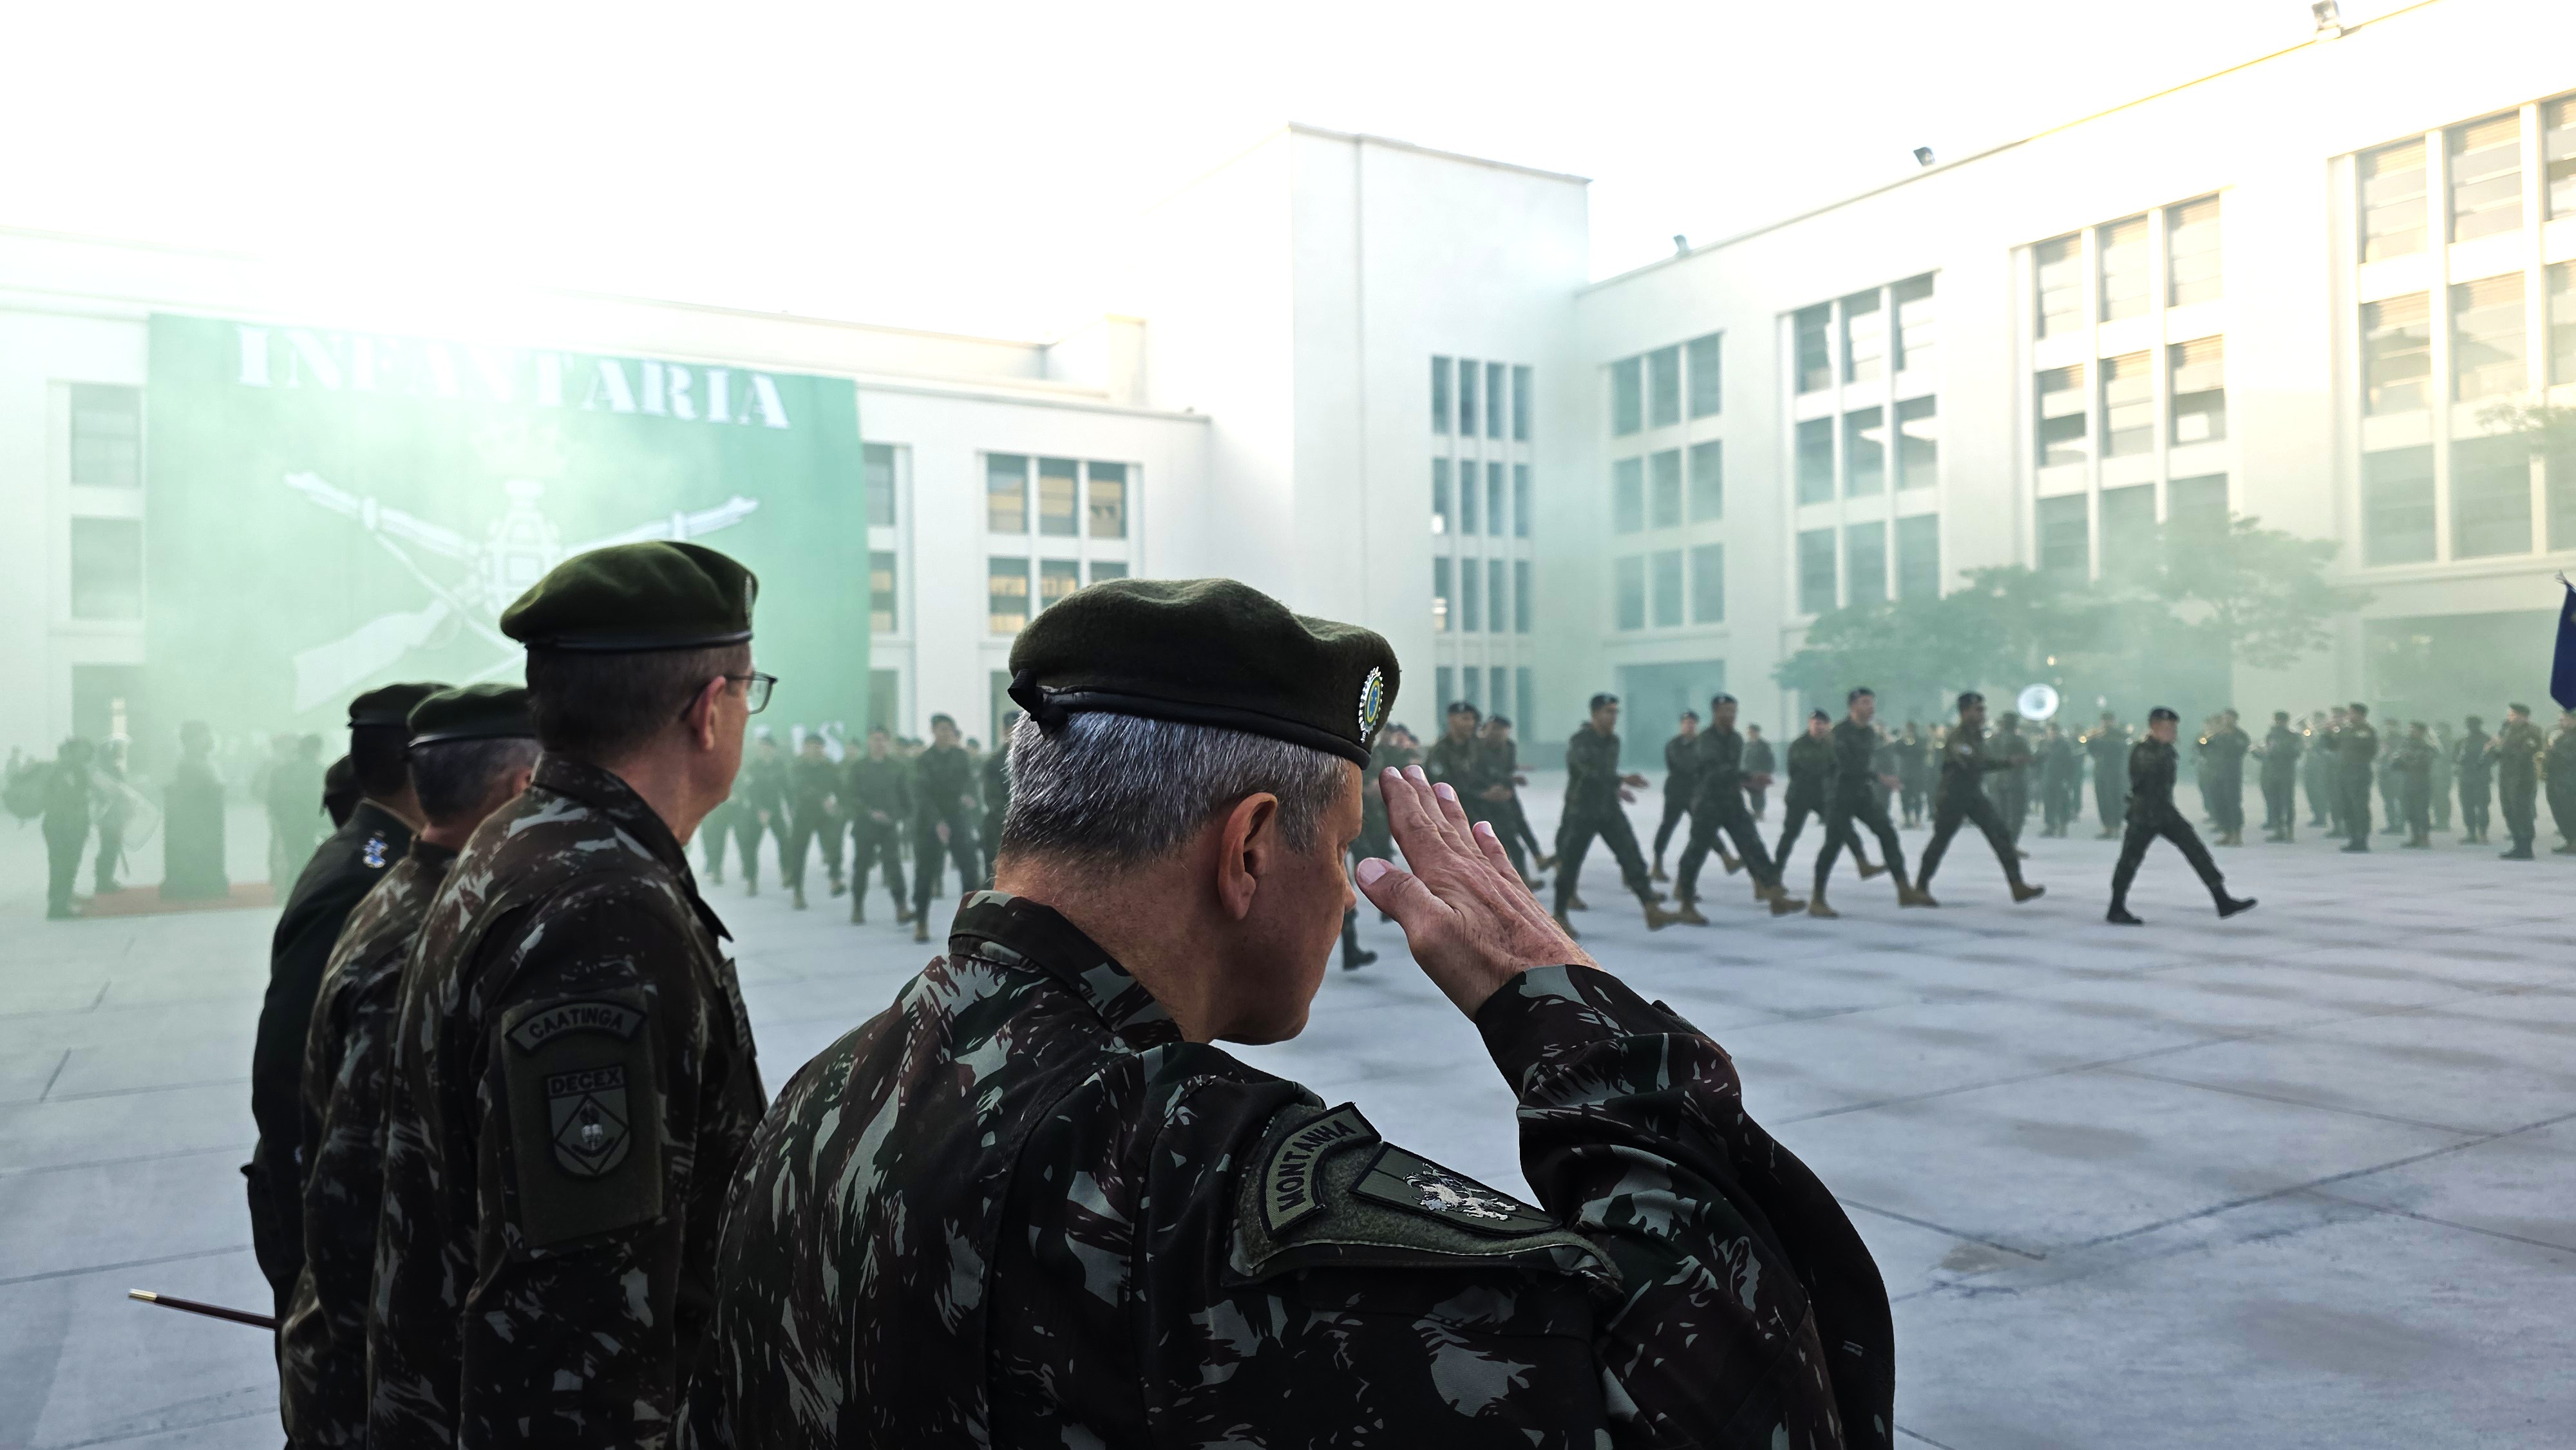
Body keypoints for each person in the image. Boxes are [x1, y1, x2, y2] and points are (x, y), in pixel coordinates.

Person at [681, 576, 1893, 1450]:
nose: (1349, 899)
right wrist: (1567, 1013)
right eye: (1349, 851)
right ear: (1251, 846)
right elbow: (1743, 1400)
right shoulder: (1208, 1189)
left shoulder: (823, 1099)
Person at [368, 542, 769, 1448]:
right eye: (751, 689)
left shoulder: (523, 841)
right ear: (710, 711)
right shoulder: (605, 913)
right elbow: (576, 1342)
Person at [278, 685, 538, 1450]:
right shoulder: (430, 922)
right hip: (388, 1387)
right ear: (518, 788)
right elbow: (356, 1196)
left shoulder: (414, 888)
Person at [247, 681, 443, 1321]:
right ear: (422, 765)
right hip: (325, 1220)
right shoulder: (364, 877)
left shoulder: (370, 854)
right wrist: (312, 1218)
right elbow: (283, 1070)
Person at [2107, 708, 2257, 926]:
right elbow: (2145, 778)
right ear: (2156, 728)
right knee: (2130, 860)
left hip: (2165, 811)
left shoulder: (2164, 749)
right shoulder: (2143, 750)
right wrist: (2161, 748)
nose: (2175, 732)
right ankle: (2116, 907)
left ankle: (2222, 899)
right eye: (2169, 728)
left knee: (2197, 851)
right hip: (2144, 813)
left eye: (2175, 727)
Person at [1553, 693, 1683, 937]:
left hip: (1609, 809)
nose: (1612, 717)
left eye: (1615, 712)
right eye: (1607, 712)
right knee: (1570, 862)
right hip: (1581, 810)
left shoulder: (1614, 741)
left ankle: (1651, 909)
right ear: (1594, 715)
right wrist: (1622, 779)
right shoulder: (1581, 741)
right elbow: (1587, 771)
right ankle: (1560, 915)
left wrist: (1617, 789)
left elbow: (1605, 774)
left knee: (1631, 855)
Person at [1671, 693, 1801, 922]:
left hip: (1732, 801)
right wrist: (1748, 776)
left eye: (1733, 711)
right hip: (1708, 802)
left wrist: (1750, 783)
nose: (1730, 716)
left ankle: (1775, 896)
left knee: (1754, 846)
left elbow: (1731, 772)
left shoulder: (1736, 739)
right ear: (1715, 713)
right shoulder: (1706, 740)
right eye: (1725, 711)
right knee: (1696, 851)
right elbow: (1714, 770)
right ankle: (1686, 902)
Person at [1913, 692, 2045, 908]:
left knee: (2000, 835)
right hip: (1954, 796)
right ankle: (1920, 887)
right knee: (1941, 840)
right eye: (1978, 709)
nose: (1983, 713)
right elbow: (1974, 763)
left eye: (1983, 709)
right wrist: (2009, 762)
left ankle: (2017, 885)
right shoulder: (1959, 738)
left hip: (1972, 793)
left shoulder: (1975, 735)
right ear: (1965, 712)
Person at [1812, 688, 1923, 915]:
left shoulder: (1870, 733)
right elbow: (1848, 766)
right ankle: (1817, 899)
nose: (1870, 707)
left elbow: (1867, 764)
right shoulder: (1839, 733)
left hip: (1861, 794)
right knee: (1832, 845)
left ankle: (1904, 889)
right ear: (1853, 706)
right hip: (1839, 794)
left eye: (1872, 702)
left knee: (1887, 833)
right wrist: (1880, 777)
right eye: (1864, 702)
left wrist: (1878, 776)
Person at [909, 713, 983, 941]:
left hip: (957, 818)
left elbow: (969, 784)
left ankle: (968, 923)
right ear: (933, 731)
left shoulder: (961, 757)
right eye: (941, 729)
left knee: (970, 869)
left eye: (949, 729)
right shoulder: (923, 761)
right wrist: (937, 823)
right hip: (929, 821)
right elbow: (922, 796)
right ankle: (921, 922)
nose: (946, 733)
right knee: (924, 873)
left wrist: (969, 798)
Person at [844, 726, 912, 925]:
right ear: (868, 742)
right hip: (865, 826)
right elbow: (850, 795)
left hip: (888, 827)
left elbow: (906, 801)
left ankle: (901, 907)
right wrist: (869, 812)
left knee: (894, 866)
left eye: (882, 739)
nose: (878, 743)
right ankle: (857, 906)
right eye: (874, 739)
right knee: (861, 867)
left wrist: (894, 817)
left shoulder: (897, 768)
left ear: (887, 742)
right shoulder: (859, 767)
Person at [162, 719, 229, 899]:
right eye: (202, 737)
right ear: (190, 741)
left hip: (207, 821)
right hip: (195, 821)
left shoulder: (206, 763)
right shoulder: (188, 765)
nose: (208, 741)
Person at [1478, 715, 1548, 885]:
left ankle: (1536, 859)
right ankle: (1512, 878)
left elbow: (1507, 768)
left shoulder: (1509, 746)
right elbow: (1483, 772)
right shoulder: (1478, 748)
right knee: (1504, 838)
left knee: (1520, 823)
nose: (1497, 733)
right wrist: (1509, 779)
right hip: (1483, 797)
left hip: (1506, 793)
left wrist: (1510, 780)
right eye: (1493, 729)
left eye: (1501, 730)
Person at [782, 731, 845, 910]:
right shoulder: (796, 766)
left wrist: (838, 805)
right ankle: (798, 892)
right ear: (804, 749)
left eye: (818, 747)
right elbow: (799, 787)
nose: (815, 751)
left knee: (834, 843)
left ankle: (835, 879)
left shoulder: (830, 767)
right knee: (799, 853)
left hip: (825, 815)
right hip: (803, 814)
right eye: (810, 747)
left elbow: (840, 788)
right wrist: (822, 799)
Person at [1771, 710, 1836, 867]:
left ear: (1827, 726)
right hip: (1800, 795)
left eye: (1821, 724)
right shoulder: (1799, 744)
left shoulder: (1831, 745)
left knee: (1839, 827)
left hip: (1822, 795)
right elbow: (1797, 769)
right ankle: (1776, 872)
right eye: (1815, 724)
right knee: (1790, 834)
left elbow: (1836, 768)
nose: (1818, 727)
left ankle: (1861, 861)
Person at [40, 738, 97, 920]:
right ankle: (58, 907)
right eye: (83, 749)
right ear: (73, 751)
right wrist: (87, 796)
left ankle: (63, 896)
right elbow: (68, 795)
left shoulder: (74, 768)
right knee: (63, 864)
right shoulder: (67, 769)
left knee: (65, 863)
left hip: (66, 824)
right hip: (64, 825)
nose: (87, 753)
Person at [267, 733, 328, 887]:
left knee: (292, 856)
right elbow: (318, 798)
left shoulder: (282, 771)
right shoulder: (318, 770)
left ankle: (287, 889)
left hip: (288, 821)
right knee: (306, 856)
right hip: (308, 822)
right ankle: (303, 888)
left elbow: (272, 798)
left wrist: (279, 816)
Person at [737, 730, 790, 896]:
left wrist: (791, 808)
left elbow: (787, 789)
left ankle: (787, 872)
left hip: (775, 811)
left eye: (768, 747)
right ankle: (752, 880)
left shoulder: (780, 766)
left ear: (774, 749)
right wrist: (760, 811)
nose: (765, 750)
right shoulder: (752, 767)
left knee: (785, 840)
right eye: (762, 747)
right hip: (755, 812)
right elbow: (750, 791)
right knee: (751, 846)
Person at [2200, 709, 2249, 846]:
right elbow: (2202, 748)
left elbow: (2239, 750)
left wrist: (2228, 737)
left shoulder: (2240, 735)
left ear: (2235, 720)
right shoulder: (2216, 735)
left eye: (2229, 718)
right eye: (2225, 718)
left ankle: (2236, 833)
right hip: (2215, 774)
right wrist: (2207, 739)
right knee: (2218, 803)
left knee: (2233, 804)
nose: (2226, 721)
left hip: (2231, 775)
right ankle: (2226, 832)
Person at [2336, 702, 2381, 854]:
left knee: (2359, 807)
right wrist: (2328, 733)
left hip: (2359, 774)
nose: (2348, 716)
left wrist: (2345, 731)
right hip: (2345, 774)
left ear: (2359, 714)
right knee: (2347, 807)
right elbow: (2332, 745)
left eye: (2351, 713)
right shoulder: (2347, 730)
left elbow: (2368, 749)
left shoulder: (2366, 731)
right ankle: (2353, 838)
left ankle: (2362, 839)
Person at [981, 710, 1018, 886]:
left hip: (1031, 830)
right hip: (1001, 827)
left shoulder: (1037, 759)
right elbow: (992, 797)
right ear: (1005, 732)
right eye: (1011, 730)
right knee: (997, 881)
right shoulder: (994, 763)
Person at [2256, 710, 2303, 842]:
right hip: (2271, 773)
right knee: (2274, 802)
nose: (2277, 723)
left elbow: (2296, 753)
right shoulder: (2271, 735)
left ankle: (2289, 831)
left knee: (2287, 802)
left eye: (2280, 721)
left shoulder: (2293, 736)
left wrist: (2279, 750)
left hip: (2286, 773)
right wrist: (2260, 753)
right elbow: (2268, 753)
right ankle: (2278, 830)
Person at [2081, 711, 2129, 838]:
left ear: (2113, 721)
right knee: (2102, 800)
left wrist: (2096, 740)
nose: (2106, 724)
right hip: (2100, 772)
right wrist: (2090, 740)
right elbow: (2092, 751)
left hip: (2115, 773)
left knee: (2114, 800)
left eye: (2108, 721)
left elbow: (2115, 747)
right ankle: (2107, 828)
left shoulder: (2119, 735)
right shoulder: (2099, 735)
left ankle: (2116, 828)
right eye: (2104, 721)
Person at [1991, 711, 2034, 849]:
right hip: (2015, 782)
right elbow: (2029, 759)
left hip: (1997, 782)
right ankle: (2011, 844)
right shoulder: (2019, 740)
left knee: (2001, 815)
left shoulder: (1993, 739)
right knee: (2016, 815)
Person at [2394, 722, 2436, 849]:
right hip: (2407, 782)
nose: (2411, 732)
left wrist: (2406, 761)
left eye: (2414, 730)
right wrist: (2402, 760)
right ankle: (2414, 837)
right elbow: (2395, 763)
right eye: (2410, 729)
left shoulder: (2427, 747)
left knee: (2421, 811)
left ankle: (2424, 838)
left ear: (2421, 732)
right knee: (2409, 811)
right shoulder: (2406, 745)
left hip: (2421, 783)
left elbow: (2423, 764)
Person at [2456, 713, 2495, 845]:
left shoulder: (2487, 741)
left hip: (2481, 779)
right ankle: (2471, 832)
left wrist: (2478, 765)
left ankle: (2482, 833)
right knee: (2467, 806)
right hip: (2466, 778)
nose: (2471, 727)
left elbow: (2492, 759)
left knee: (2482, 806)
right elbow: (2455, 758)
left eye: (2473, 725)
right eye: (2469, 725)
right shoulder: (2462, 741)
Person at [2036, 721, 2078, 837]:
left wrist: (2068, 780)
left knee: (2062, 804)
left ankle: (2063, 826)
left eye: (2054, 732)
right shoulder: (2043, 744)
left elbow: (2071, 764)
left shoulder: (2065, 746)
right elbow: (2038, 761)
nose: (2052, 734)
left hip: (2060, 779)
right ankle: (2050, 826)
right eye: (2050, 731)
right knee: (2048, 804)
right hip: (2047, 778)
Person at [2304, 709, 2341, 831]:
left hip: (2323, 766)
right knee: (2311, 792)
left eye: (2318, 719)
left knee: (2321, 792)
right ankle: (2317, 815)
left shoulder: (2328, 731)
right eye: (2315, 719)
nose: (2316, 721)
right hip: (2311, 765)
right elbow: (2305, 741)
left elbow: (2325, 746)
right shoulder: (2311, 731)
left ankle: (2323, 817)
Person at [2548, 710, 2576, 854]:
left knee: (2571, 812)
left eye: (2564, 719)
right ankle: (2570, 841)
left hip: (2570, 782)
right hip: (2557, 781)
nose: (2560, 722)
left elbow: (2571, 758)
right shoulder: (2562, 736)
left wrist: (2553, 750)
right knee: (2560, 812)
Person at [1897, 720, 1929, 827]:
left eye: (1911, 729)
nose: (1909, 732)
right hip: (1905, 774)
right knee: (1904, 797)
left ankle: (1917, 819)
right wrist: (1902, 739)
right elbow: (1897, 750)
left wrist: (1915, 742)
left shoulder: (1920, 741)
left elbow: (1923, 752)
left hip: (1917, 774)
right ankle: (1906, 819)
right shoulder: (1901, 742)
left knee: (1917, 797)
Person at [1742, 722, 1776, 820]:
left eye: (1752, 732)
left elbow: (1770, 759)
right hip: (1748, 774)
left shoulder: (1763, 745)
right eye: (1749, 732)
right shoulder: (1747, 745)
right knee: (1752, 793)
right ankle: (1756, 811)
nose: (1750, 734)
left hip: (1761, 774)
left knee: (1759, 793)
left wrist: (1767, 772)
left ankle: (1759, 812)